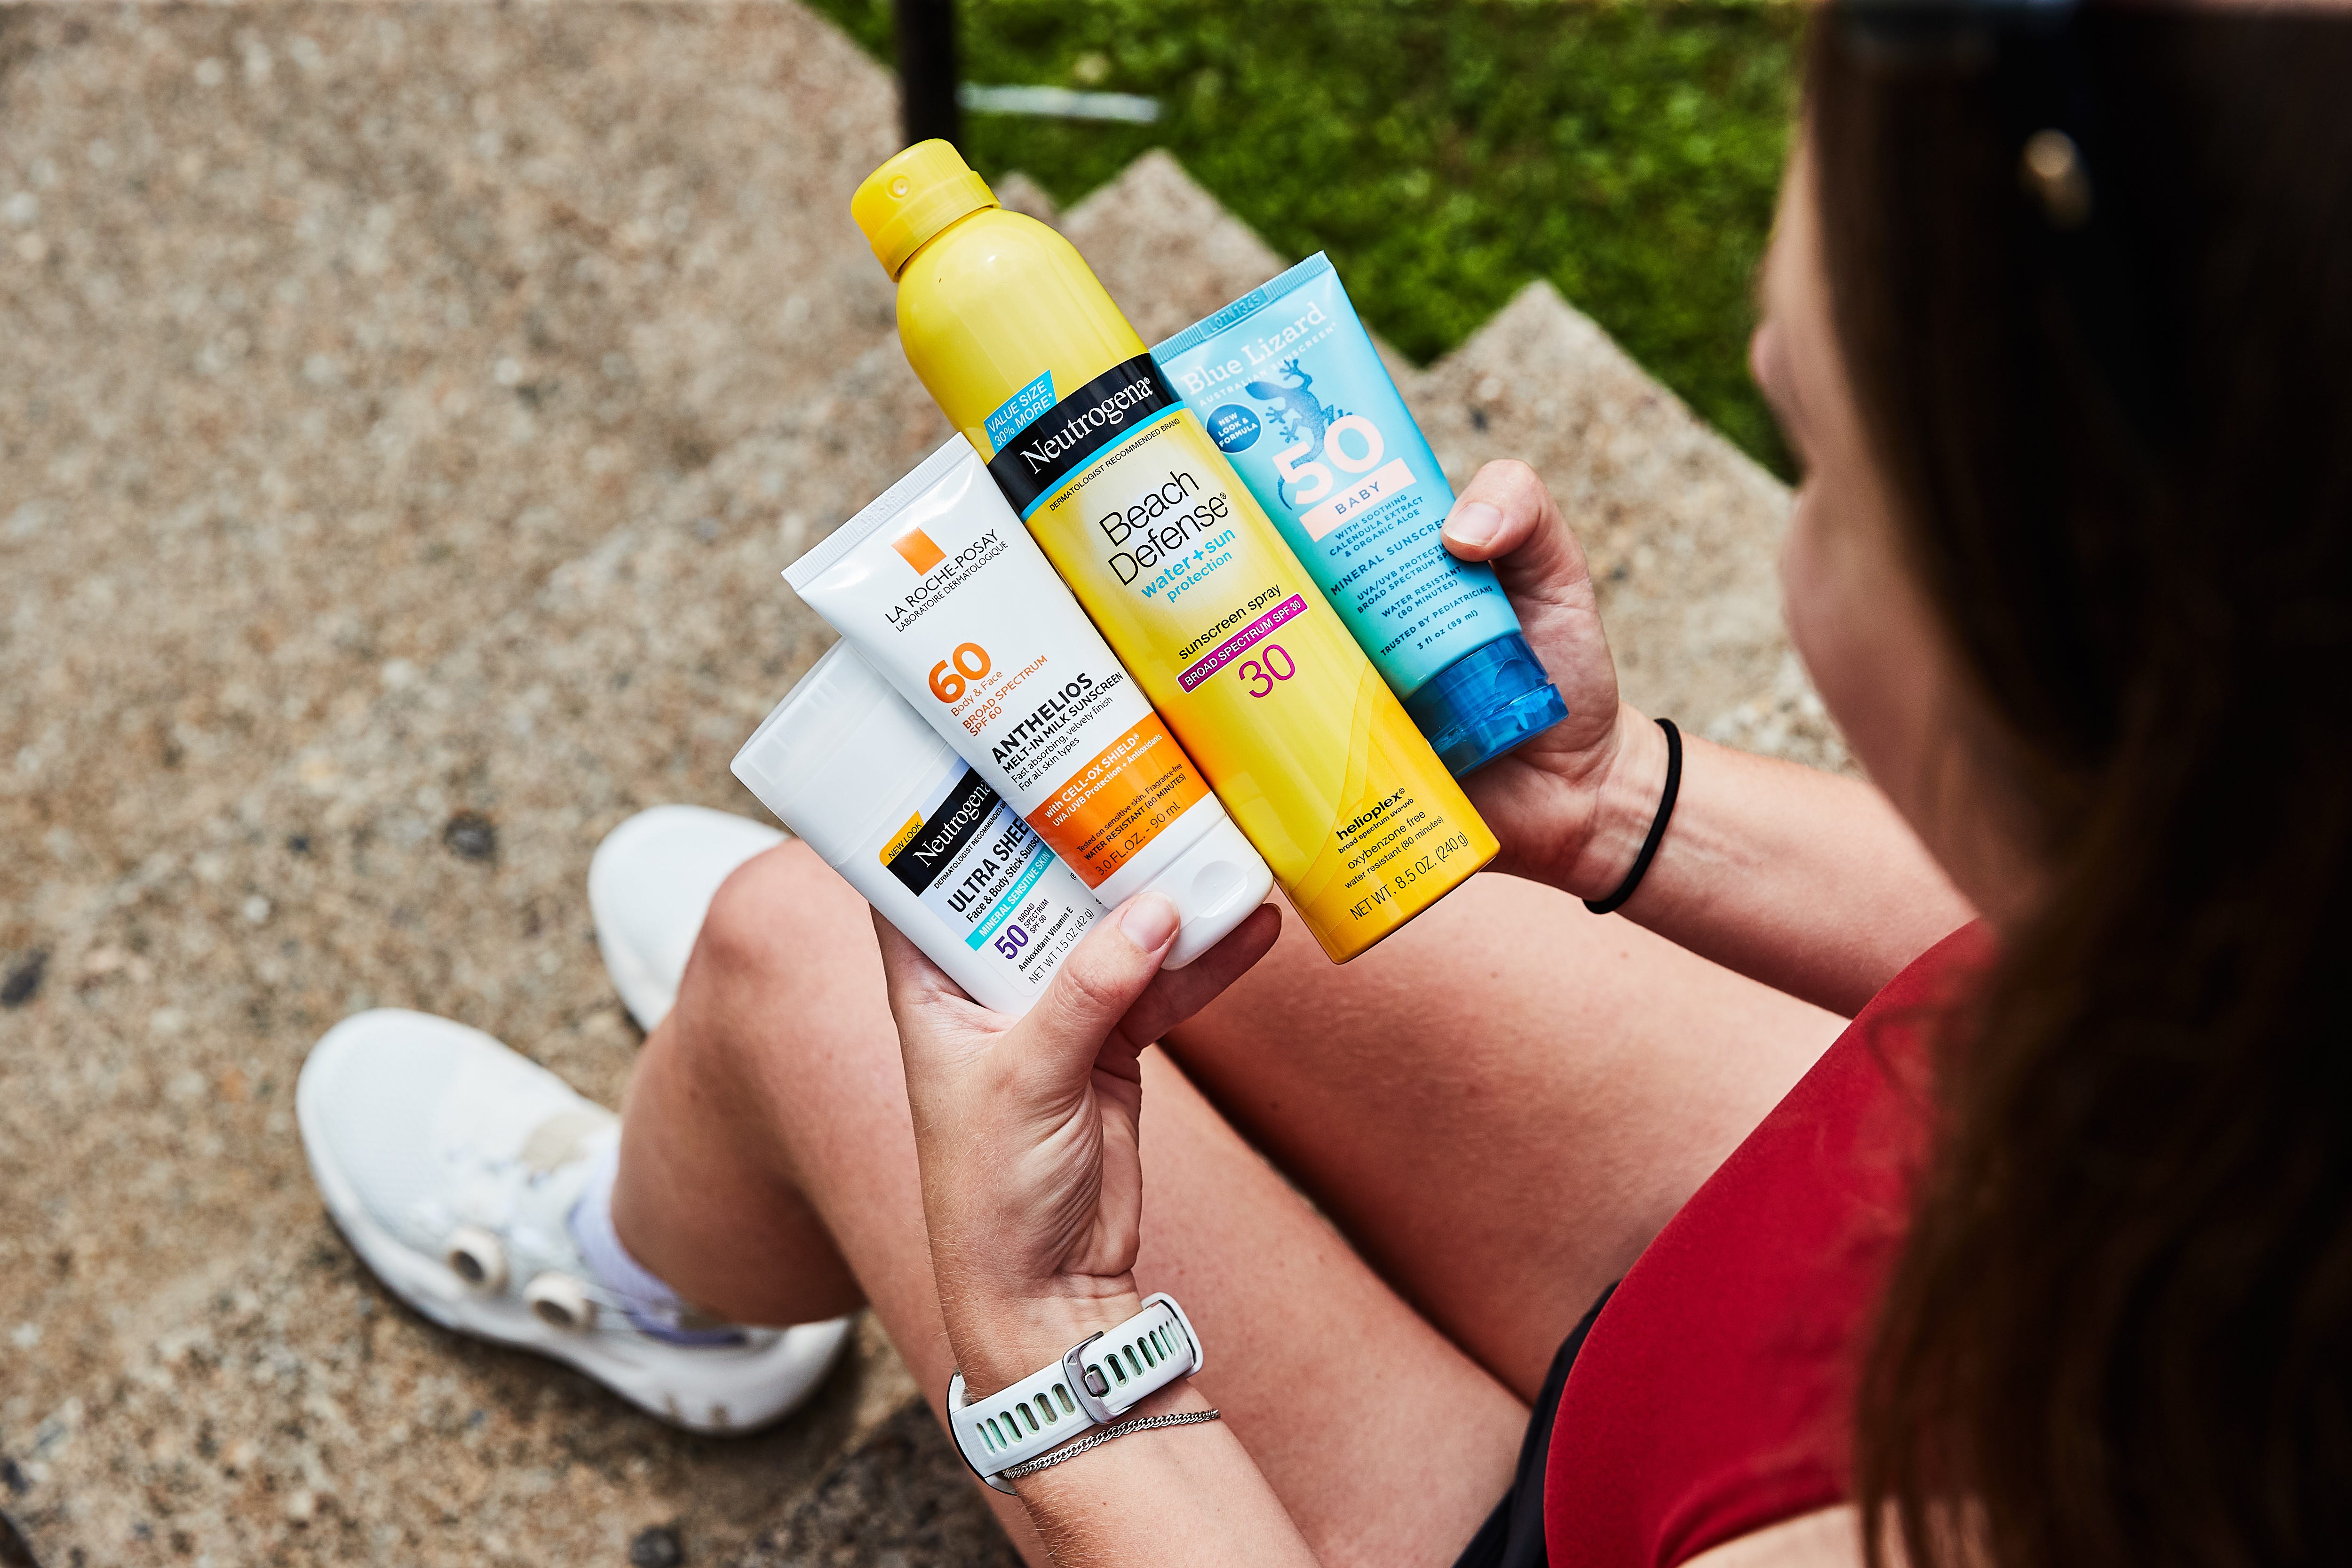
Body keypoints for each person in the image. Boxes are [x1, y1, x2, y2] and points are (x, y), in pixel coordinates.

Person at [296, 7, 2352, 1566]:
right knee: (1156, 868)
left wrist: (1050, 1340)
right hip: (1862, 1214)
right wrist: (1613, 806)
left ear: (2107, 676)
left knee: (795, 951)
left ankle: (666, 1291)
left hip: (1621, 1509)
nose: (1793, 522)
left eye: (1812, 457)